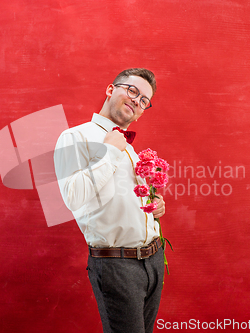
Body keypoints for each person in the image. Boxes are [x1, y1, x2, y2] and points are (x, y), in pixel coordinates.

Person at [54, 68, 166, 333]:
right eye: (132, 91)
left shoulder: (130, 149)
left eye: (143, 101)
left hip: (153, 260)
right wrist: (112, 152)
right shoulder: (74, 137)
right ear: (110, 89)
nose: (136, 101)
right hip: (117, 264)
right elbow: (73, 197)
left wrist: (154, 207)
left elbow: (121, 201)